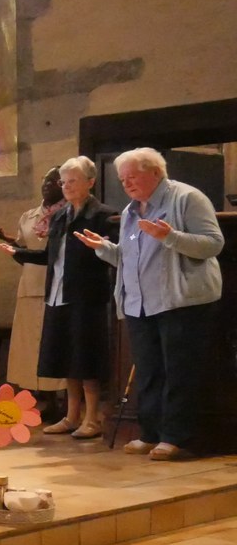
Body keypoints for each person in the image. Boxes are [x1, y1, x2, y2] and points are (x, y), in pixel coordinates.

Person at [78, 147, 224, 461]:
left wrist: (171, 237)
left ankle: (175, 437)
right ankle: (150, 434)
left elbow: (214, 244)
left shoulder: (187, 198)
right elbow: (130, 257)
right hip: (140, 305)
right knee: (149, 372)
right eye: (123, 179)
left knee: (178, 372)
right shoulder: (131, 211)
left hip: (181, 302)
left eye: (132, 176)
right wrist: (104, 248)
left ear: (156, 172)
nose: (126, 183)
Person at [0, 157, 116, 439]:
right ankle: (72, 416)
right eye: (64, 182)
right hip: (58, 294)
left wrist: (100, 247)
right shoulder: (61, 216)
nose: (66, 187)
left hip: (86, 297)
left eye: (72, 181)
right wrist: (18, 253)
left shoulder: (103, 215)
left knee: (86, 358)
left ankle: (92, 418)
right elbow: (50, 256)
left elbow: (112, 254)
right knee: (67, 358)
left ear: (90, 182)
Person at [0, 167, 67, 395]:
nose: (47, 185)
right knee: (29, 345)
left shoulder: (68, 213)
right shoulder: (28, 216)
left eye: (54, 181)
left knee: (54, 342)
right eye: (46, 180)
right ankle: (35, 395)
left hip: (57, 286)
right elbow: (24, 250)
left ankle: (60, 397)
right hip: (30, 285)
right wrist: (11, 246)